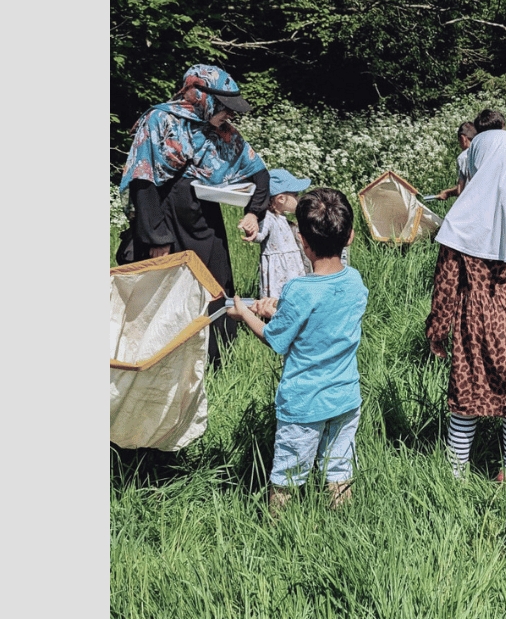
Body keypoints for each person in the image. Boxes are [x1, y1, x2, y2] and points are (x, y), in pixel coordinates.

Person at [426, 110, 506, 489]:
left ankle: (455, 476)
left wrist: (437, 329)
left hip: (474, 313)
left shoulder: (463, 218)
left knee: (466, 396)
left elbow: (446, 283)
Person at [227, 188, 367, 510]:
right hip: (345, 398)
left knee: (287, 478)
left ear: (302, 242)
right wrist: (279, 310)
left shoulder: (298, 290)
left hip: (304, 405)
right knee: (340, 470)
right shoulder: (356, 283)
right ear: (350, 237)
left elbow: (275, 339)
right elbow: (321, 320)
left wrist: (244, 310)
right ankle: (343, 527)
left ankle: (279, 535)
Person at [117, 64, 271, 358]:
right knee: (163, 296)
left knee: (213, 288)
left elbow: (259, 173)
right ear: (203, 98)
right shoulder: (159, 120)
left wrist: (254, 212)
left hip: (205, 228)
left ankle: (214, 362)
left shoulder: (222, 132)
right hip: (164, 227)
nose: (231, 115)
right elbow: (143, 180)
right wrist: (155, 237)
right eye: (226, 107)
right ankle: (163, 364)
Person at [244, 168, 312, 300]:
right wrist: (251, 230)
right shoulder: (269, 218)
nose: (298, 198)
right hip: (279, 272)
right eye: (295, 195)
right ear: (281, 198)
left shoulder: (283, 219)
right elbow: (259, 235)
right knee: (278, 300)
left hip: (292, 269)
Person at [435, 122, 478, 201]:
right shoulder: (482, 153)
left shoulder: (463, 157)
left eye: (459, 141)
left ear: (463, 138)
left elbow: (460, 190)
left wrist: (448, 193)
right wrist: (448, 193)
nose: (459, 145)